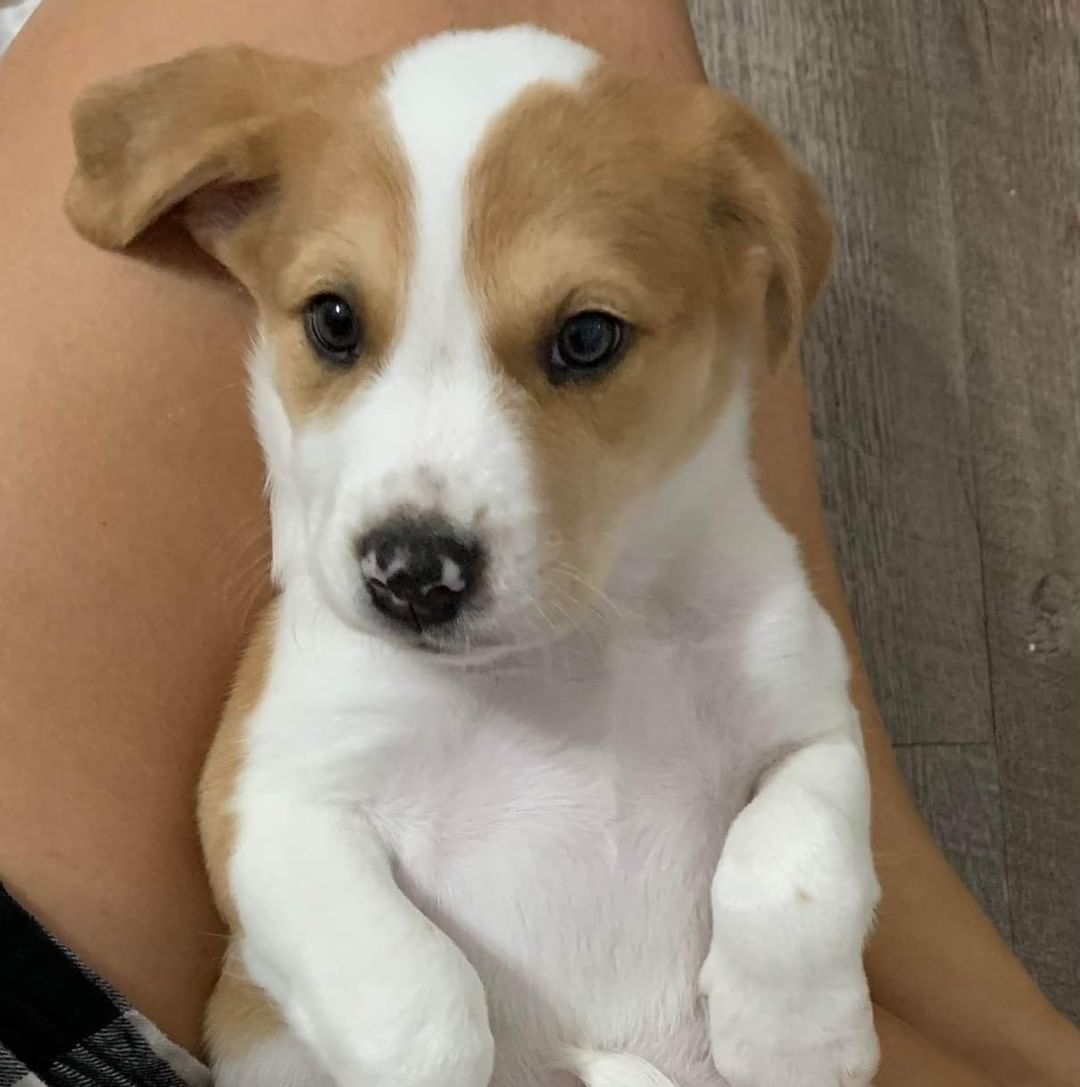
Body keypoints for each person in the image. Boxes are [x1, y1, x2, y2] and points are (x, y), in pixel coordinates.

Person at [0, 2, 1077, 1084]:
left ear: (754, 256)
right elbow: (276, 820)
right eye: (339, 324)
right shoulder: (334, 650)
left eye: (581, 340)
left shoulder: (749, 613)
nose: (418, 538)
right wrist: (414, 1038)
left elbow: (808, 752)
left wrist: (791, 925)